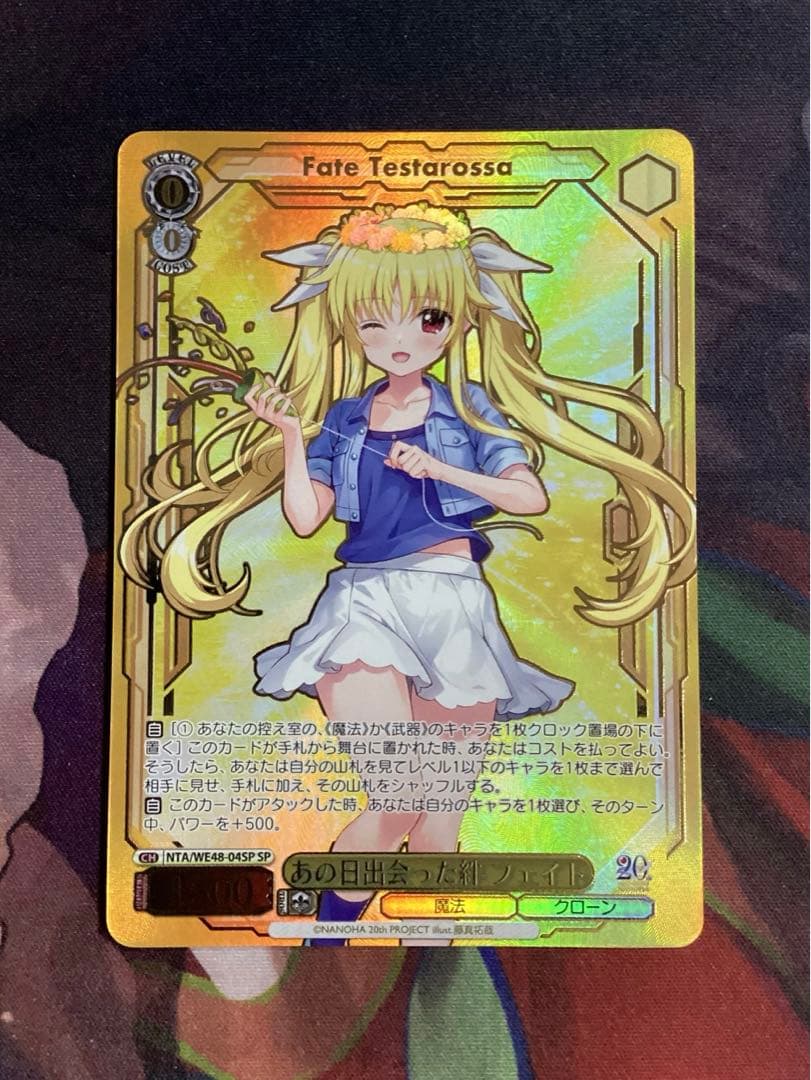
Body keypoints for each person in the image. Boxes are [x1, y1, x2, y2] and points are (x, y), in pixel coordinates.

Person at [120, 202, 695, 945]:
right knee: (398, 793)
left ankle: (425, 946)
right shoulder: (342, 419)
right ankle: (326, 932)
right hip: (365, 603)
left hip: (453, 602)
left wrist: (442, 467)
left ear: (456, 320)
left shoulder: (470, 409)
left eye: (426, 318)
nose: (398, 340)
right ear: (347, 325)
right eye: (372, 322)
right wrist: (291, 436)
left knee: (441, 815)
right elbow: (306, 518)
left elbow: (529, 496)